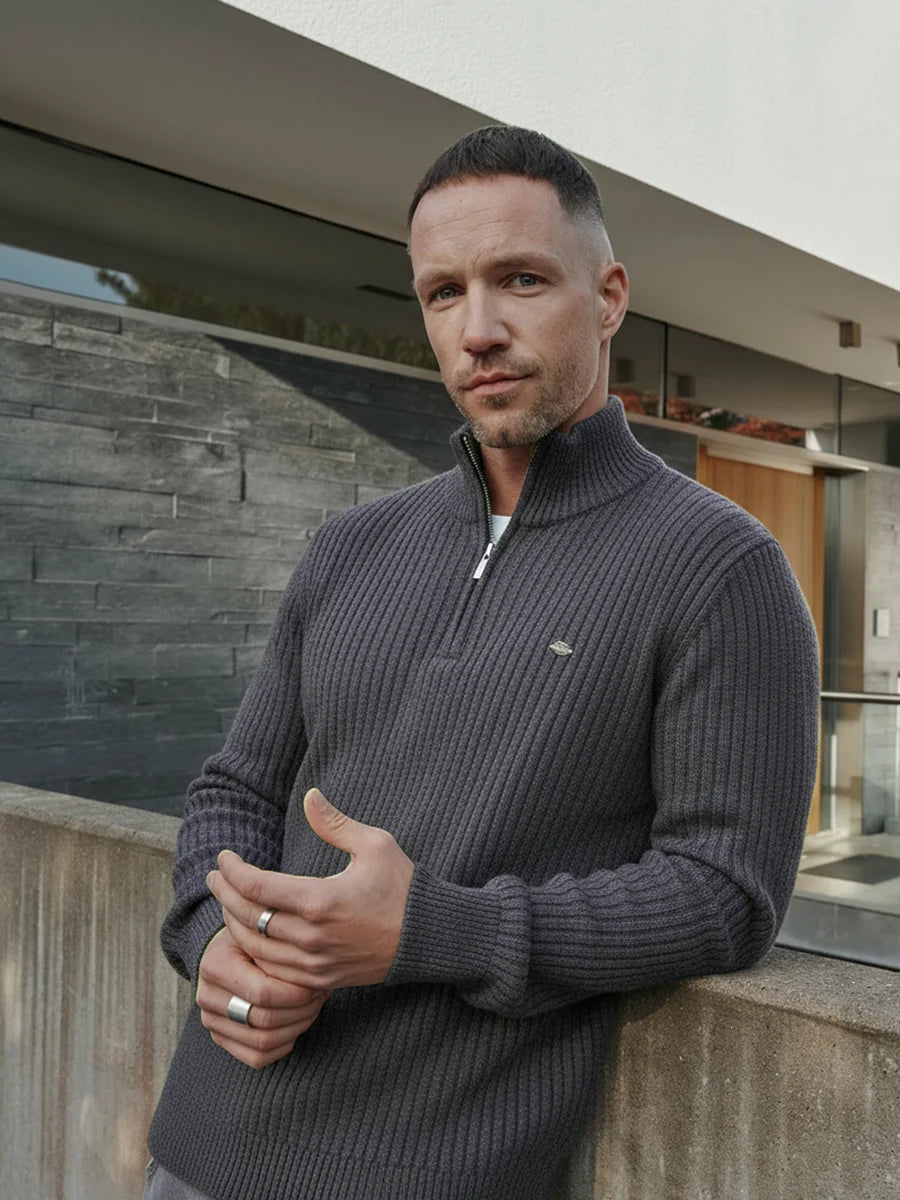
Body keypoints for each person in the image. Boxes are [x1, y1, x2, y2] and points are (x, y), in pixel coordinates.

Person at [145, 125, 820, 1200]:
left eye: (521, 279)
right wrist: (208, 938)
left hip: (432, 1174)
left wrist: (430, 929)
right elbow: (235, 791)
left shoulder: (719, 568)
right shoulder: (351, 546)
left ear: (608, 297)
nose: (479, 329)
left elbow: (724, 891)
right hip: (197, 1151)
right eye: (443, 292)